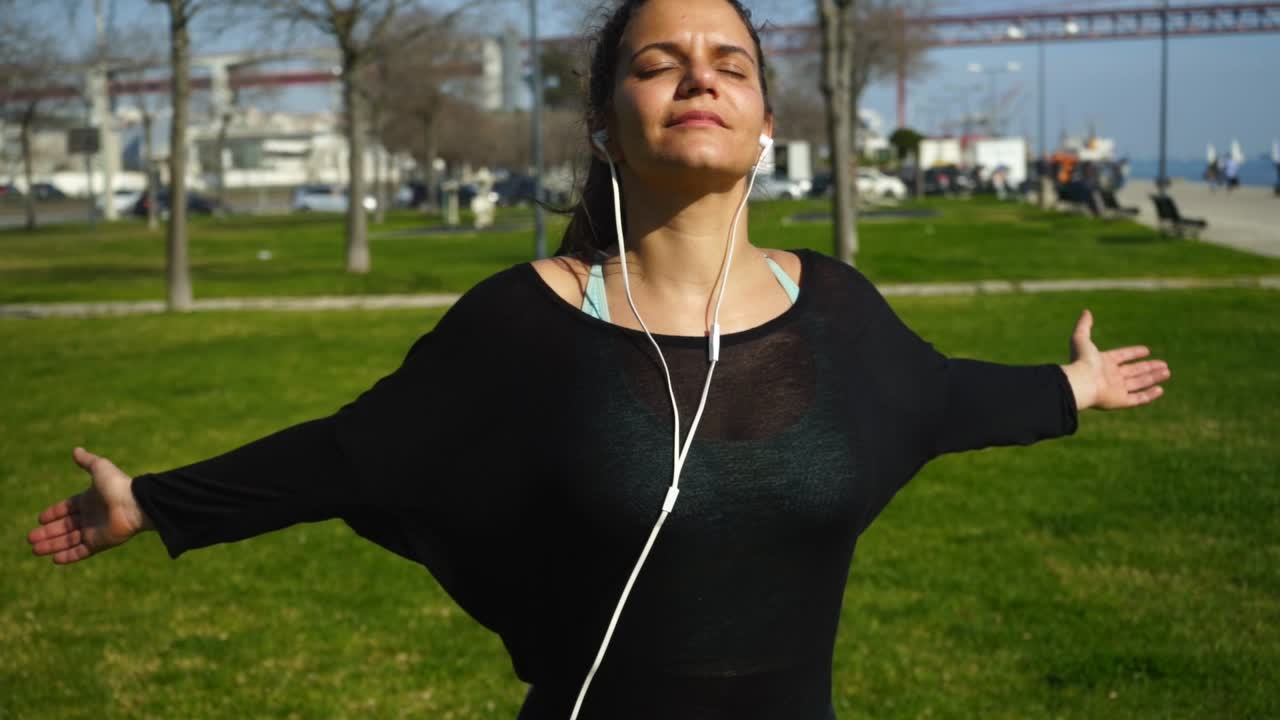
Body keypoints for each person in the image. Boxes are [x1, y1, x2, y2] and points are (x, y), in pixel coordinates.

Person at [26, 1, 1172, 718]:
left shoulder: (838, 310)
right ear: (601, 124)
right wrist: (159, 504)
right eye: (659, 62)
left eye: (729, 62)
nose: (699, 78)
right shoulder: (523, 322)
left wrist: (1069, 386)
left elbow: (935, 396)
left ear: (764, 121)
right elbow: (350, 454)